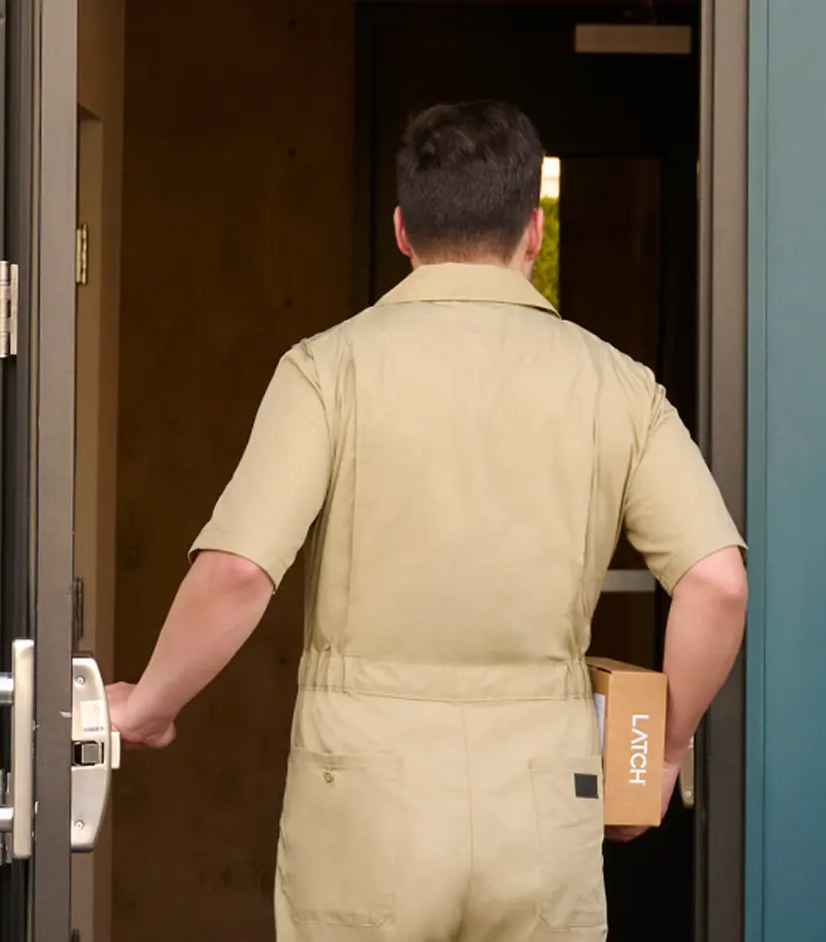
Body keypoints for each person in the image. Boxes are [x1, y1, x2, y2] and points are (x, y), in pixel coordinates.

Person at [106, 99, 749, 942]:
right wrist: (661, 752)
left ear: (402, 232)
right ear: (534, 233)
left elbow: (237, 571)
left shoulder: (327, 370)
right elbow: (717, 584)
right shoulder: (619, 387)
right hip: (541, 806)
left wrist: (150, 704)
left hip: (364, 807)